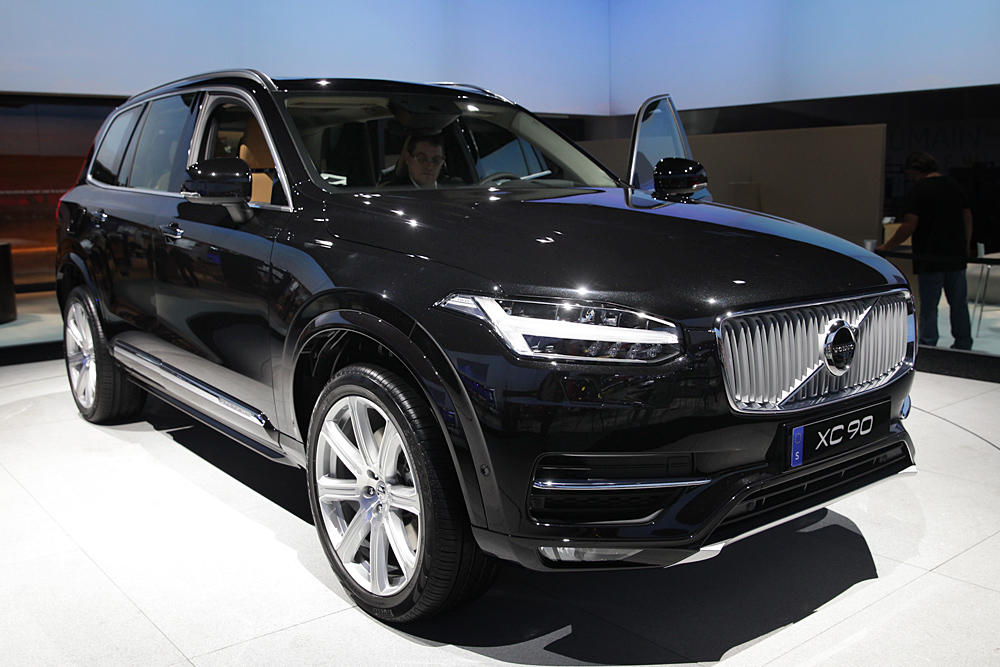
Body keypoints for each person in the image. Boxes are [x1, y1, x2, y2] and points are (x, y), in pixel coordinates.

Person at [878, 151, 973, 349]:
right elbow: (967, 217)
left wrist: (887, 247)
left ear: (916, 170)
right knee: (959, 303)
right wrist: (966, 246)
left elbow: (909, 225)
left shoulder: (920, 190)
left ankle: (929, 345)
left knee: (929, 306)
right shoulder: (954, 185)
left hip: (930, 256)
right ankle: (964, 342)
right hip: (956, 257)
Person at [380, 134, 446, 188]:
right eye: (421, 159)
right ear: (408, 158)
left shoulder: (450, 190)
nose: (429, 167)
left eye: (436, 160)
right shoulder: (391, 192)